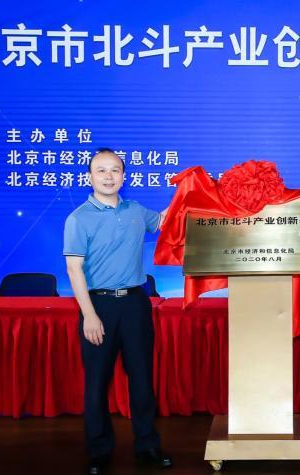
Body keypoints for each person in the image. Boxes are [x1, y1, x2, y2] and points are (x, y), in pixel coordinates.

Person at [64, 148, 172, 475]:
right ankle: (99, 451)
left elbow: (165, 220)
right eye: (101, 170)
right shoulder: (79, 218)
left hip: (135, 304)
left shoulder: (136, 210)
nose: (108, 176)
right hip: (99, 306)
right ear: (89, 177)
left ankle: (148, 446)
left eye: (115, 170)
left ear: (124, 176)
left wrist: (192, 192)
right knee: (97, 383)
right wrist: (89, 315)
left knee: (142, 380)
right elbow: (73, 269)